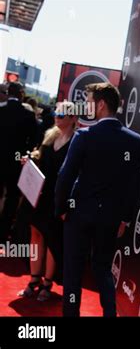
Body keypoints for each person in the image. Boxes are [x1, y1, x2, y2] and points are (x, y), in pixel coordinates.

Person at [55, 83, 140, 317]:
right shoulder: (134, 141)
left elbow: (65, 176)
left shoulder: (84, 135)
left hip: (79, 215)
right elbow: (134, 186)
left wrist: (61, 208)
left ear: (101, 105)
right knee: (103, 270)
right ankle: (110, 314)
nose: (87, 106)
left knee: (73, 273)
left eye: (90, 101)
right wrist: (124, 219)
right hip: (110, 219)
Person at [18, 102, 77, 301]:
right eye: (57, 113)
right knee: (35, 235)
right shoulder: (49, 134)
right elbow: (39, 155)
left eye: (62, 114)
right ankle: (34, 280)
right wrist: (30, 158)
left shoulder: (76, 142)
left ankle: (46, 283)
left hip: (57, 198)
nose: (57, 117)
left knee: (52, 239)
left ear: (72, 119)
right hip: (39, 194)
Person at [0, 82, 38, 242]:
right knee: (12, 198)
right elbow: (35, 139)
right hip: (16, 165)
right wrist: (25, 152)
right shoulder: (28, 115)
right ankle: (2, 234)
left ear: (8, 93)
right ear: (21, 93)